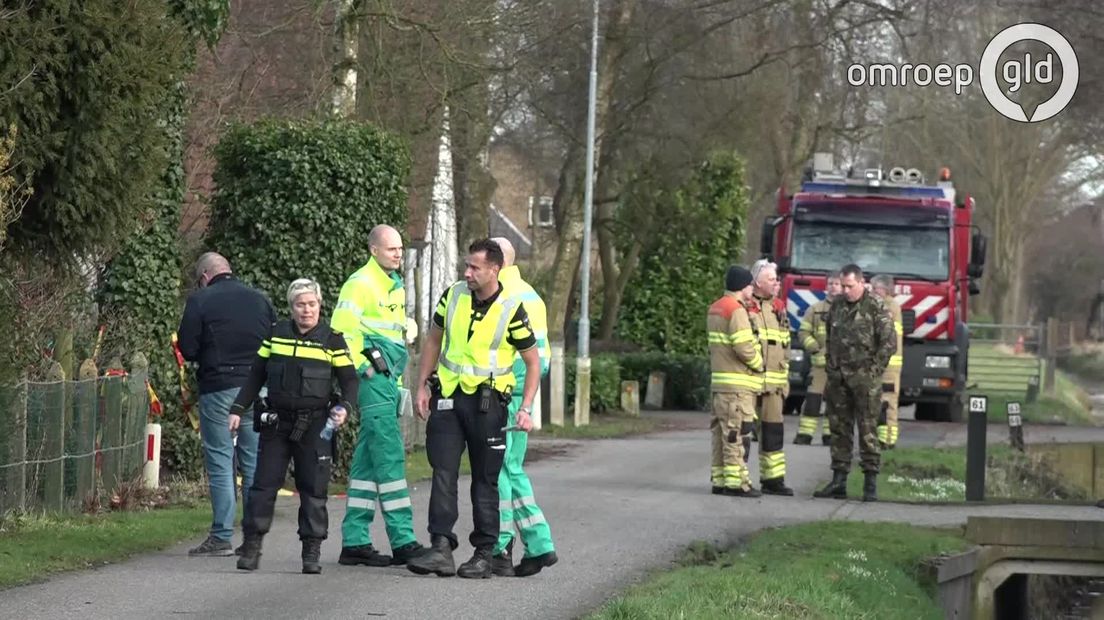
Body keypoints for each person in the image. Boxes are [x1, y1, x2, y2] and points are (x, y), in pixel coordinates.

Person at [407, 238, 542, 579]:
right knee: (443, 472)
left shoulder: (512, 308)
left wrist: (526, 408)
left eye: (474, 267)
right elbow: (434, 339)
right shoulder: (453, 296)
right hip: (449, 399)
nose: (467, 272)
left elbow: (533, 361)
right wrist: (422, 385)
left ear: (494, 270)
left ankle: (484, 553)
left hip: (488, 405)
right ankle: (440, 547)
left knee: (485, 480)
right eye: (466, 266)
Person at [232, 279, 358, 574]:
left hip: (316, 424)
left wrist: (344, 408)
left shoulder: (332, 339)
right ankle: (252, 545)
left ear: (319, 305)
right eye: (301, 304)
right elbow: (256, 375)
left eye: (312, 304)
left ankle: (311, 551)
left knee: (313, 490)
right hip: (277, 423)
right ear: (292, 307)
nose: (307, 310)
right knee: (262, 486)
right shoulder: (276, 335)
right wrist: (238, 409)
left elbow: (350, 381)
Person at [334, 225, 426, 567]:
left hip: (386, 380)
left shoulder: (393, 284)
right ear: (374, 250)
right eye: (392, 249)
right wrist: (365, 369)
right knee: (389, 457)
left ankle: (355, 541)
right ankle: (403, 540)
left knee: (366, 463)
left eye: (401, 248)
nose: (399, 254)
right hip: (374, 381)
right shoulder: (360, 284)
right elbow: (341, 333)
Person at [177, 252, 275, 556]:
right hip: (259, 389)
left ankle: (221, 536)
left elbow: (188, 348)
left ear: (205, 277)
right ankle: (252, 537)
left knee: (221, 462)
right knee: (255, 463)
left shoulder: (200, 300)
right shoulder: (260, 299)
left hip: (220, 389)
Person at [487, 237, 558, 577]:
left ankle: (502, 546)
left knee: (500, 472)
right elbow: (540, 358)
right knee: (511, 469)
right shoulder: (532, 296)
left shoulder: (502, 297)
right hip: (521, 396)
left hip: (503, 393)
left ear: (496, 264)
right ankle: (537, 543)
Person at [813, 264, 896, 502]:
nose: (846, 290)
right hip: (839, 379)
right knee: (839, 429)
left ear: (861, 283)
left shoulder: (875, 307)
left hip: (865, 380)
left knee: (868, 430)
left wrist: (873, 371)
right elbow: (830, 336)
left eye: (850, 286)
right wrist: (831, 367)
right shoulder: (837, 306)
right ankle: (838, 480)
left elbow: (888, 343)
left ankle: (870, 482)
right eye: (843, 285)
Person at [707, 265, 764, 498]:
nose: (753, 288)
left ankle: (720, 480)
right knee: (736, 434)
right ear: (743, 287)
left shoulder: (715, 308)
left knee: (720, 435)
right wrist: (760, 363)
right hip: (737, 386)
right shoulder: (736, 310)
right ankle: (737, 483)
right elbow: (743, 346)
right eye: (751, 284)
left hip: (720, 383)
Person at [750, 259, 794, 496]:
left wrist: (783, 380)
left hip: (774, 386)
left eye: (776, 278)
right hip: (750, 382)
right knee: (743, 433)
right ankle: (738, 479)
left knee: (773, 434)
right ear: (757, 281)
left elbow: (785, 345)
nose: (777, 282)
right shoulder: (745, 306)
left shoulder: (778, 307)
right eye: (771, 279)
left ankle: (773, 480)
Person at [794, 273, 842, 446]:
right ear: (826, 286)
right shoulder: (815, 309)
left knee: (835, 403)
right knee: (812, 402)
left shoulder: (851, 310)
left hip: (840, 368)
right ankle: (804, 435)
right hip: (819, 367)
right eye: (831, 283)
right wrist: (814, 348)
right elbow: (803, 332)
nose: (833, 286)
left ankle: (830, 436)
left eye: (837, 283)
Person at [870, 274, 904, 450]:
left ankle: (889, 440)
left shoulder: (890, 306)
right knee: (878, 401)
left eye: (875, 289)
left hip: (889, 365)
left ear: (885, 290)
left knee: (888, 401)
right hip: (880, 362)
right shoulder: (881, 305)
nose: (872, 292)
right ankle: (882, 438)